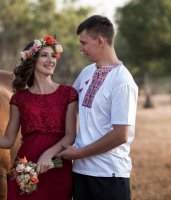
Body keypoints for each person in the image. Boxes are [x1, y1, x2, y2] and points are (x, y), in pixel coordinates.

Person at [0, 35, 78, 200]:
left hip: (56, 168)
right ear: (32, 61)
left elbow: (70, 135)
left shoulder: (68, 94)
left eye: (53, 55)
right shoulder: (19, 99)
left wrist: (49, 154)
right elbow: (8, 140)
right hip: (25, 169)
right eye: (44, 55)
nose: (51, 60)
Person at [57, 15, 139, 200]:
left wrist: (78, 153)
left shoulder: (122, 82)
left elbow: (120, 135)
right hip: (80, 173)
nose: (81, 49)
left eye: (84, 43)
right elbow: (66, 101)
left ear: (100, 41)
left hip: (109, 176)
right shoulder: (87, 72)